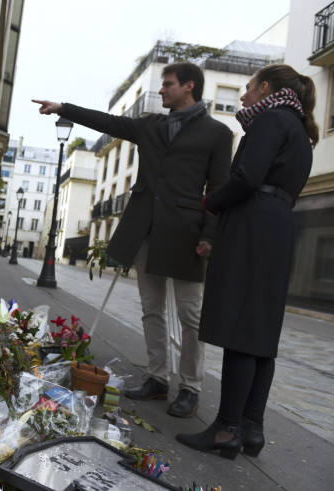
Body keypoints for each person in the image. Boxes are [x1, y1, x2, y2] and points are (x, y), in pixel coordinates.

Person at [34, 62, 232, 418]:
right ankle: (158, 379)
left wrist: (209, 235)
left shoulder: (217, 133)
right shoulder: (151, 125)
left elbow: (217, 190)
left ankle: (189, 387)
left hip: (186, 234)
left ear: (189, 86)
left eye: (167, 84)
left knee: (191, 315)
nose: (161, 90)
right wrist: (64, 109)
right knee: (151, 309)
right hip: (145, 229)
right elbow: (109, 122)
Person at [176, 64, 318, 459]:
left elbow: (247, 176)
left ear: (266, 88)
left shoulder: (271, 119)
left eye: (248, 88)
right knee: (260, 335)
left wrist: (211, 201)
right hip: (278, 226)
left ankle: (226, 429)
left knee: (240, 328)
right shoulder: (300, 130)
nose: (242, 96)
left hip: (254, 225)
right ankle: (251, 427)